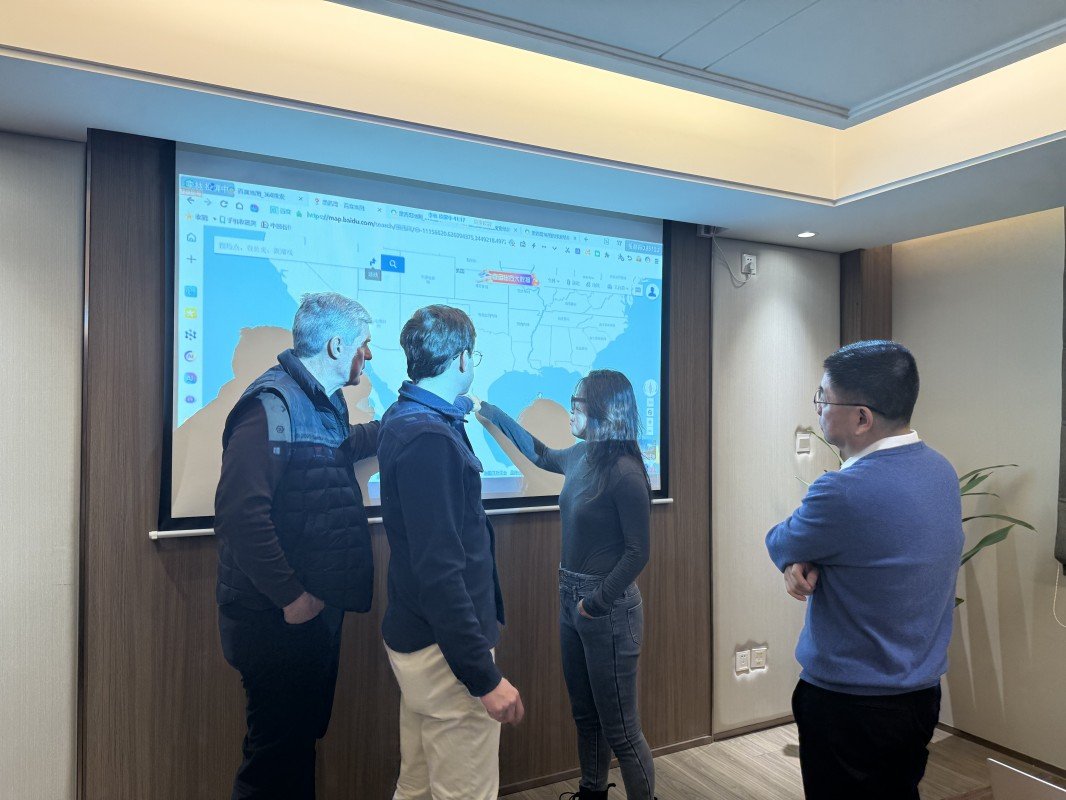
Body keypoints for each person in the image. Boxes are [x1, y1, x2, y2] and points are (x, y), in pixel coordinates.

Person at [765, 340, 964, 800]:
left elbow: (780, 540)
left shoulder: (842, 491)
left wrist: (797, 557)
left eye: (824, 397)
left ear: (861, 418)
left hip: (849, 704)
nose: (818, 408)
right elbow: (874, 548)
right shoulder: (941, 472)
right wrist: (804, 557)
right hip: (919, 697)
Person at [214, 292, 380, 800]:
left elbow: (336, 453)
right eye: (363, 344)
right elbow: (241, 516)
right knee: (272, 760)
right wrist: (292, 597)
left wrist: (394, 424)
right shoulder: (271, 405)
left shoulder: (319, 402)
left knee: (296, 746)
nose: (368, 355)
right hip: (276, 617)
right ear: (336, 346)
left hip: (307, 615)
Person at [477, 369, 655, 800]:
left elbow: (638, 553)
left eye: (577, 405)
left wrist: (595, 603)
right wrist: (494, 413)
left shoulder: (626, 472)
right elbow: (539, 453)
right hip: (571, 602)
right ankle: (592, 792)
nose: (570, 412)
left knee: (622, 730)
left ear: (603, 411)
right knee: (586, 716)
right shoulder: (580, 455)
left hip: (607, 609)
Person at [377, 304, 524, 800]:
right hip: (446, 655)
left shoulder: (408, 417)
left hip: (422, 639)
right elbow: (440, 572)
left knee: (417, 784)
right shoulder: (428, 437)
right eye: (473, 356)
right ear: (461, 359)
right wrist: (483, 677)